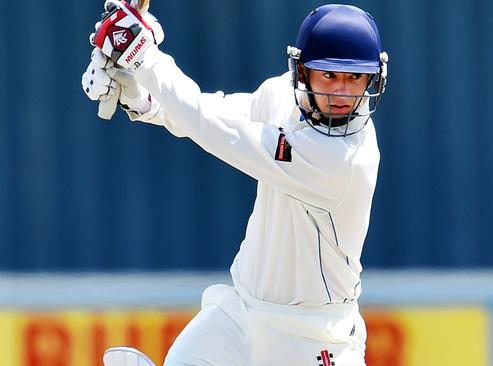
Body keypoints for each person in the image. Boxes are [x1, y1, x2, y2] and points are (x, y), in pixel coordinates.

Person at [82, 1, 388, 365]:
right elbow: (213, 114)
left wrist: (145, 58)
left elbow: (217, 130)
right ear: (302, 72)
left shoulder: (344, 159)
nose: (342, 93)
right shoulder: (280, 96)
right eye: (329, 75)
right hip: (242, 314)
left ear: (373, 79)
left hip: (314, 335)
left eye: (355, 78)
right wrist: (142, 95)